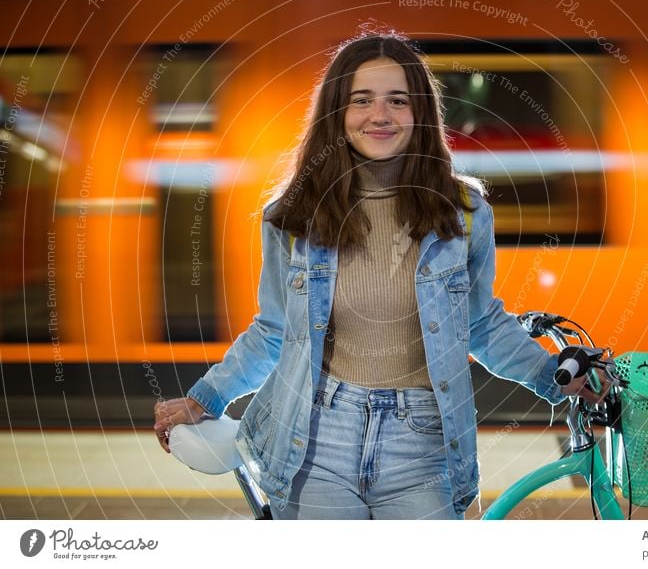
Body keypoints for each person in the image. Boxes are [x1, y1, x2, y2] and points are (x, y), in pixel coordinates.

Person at [154, 31, 599, 520]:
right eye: (361, 100)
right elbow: (275, 330)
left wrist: (554, 380)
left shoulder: (464, 212)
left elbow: (481, 323)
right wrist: (206, 398)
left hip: (423, 441)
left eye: (397, 101)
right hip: (317, 437)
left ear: (419, 113)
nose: (379, 115)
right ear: (337, 114)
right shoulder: (294, 215)